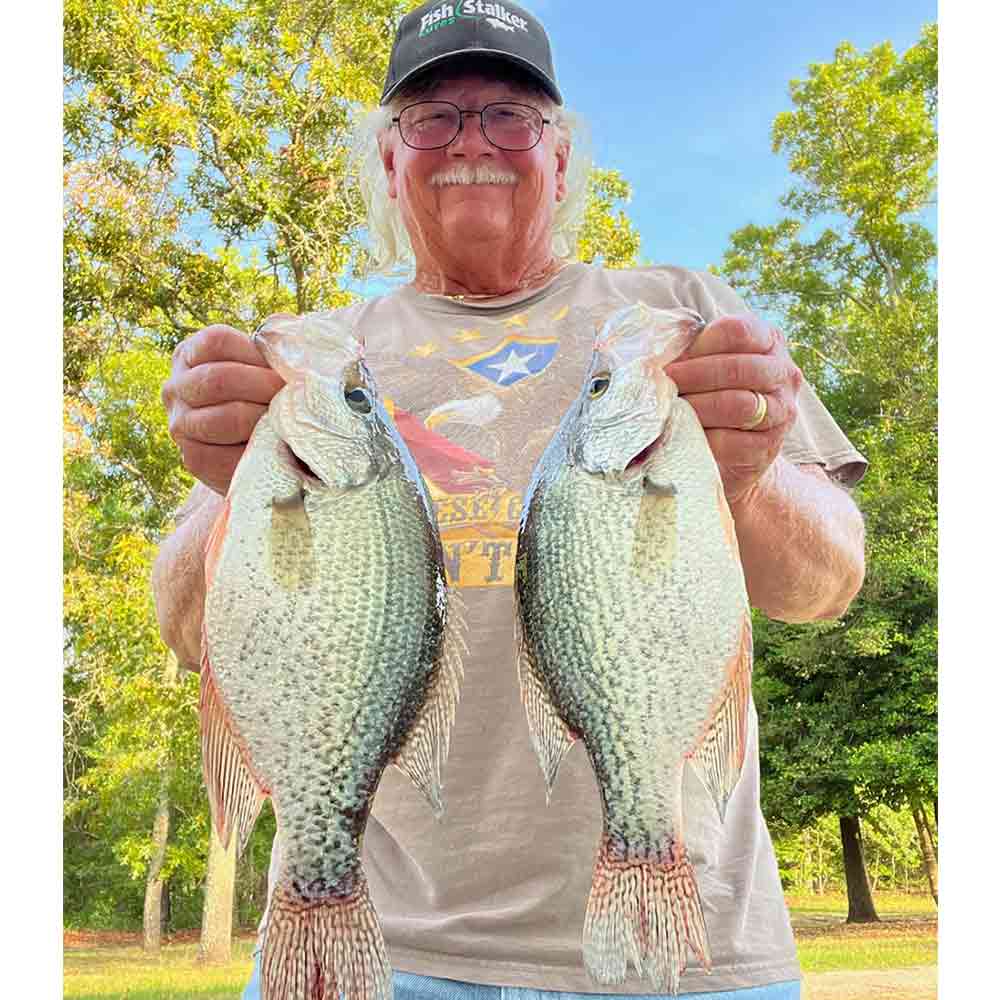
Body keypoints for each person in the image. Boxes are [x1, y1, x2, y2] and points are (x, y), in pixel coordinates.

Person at [153, 2, 867, 998]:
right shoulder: (309, 362)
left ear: (561, 158)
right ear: (389, 161)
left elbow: (828, 583)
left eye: (509, 115)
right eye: (431, 119)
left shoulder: (684, 319)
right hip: (380, 953)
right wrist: (232, 487)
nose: (471, 143)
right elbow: (188, 628)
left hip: (692, 955)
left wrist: (745, 481)